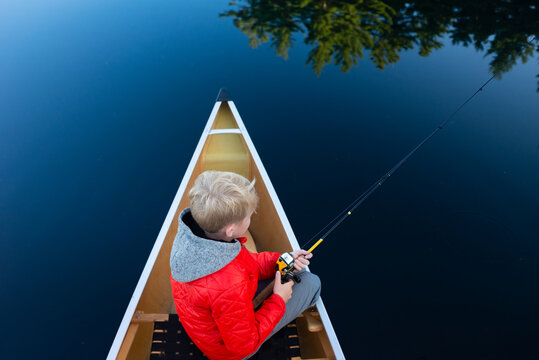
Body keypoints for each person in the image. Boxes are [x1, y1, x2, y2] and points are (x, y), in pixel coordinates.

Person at [170, 170, 321, 360]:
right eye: (249, 216)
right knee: (311, 283)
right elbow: (243, 346)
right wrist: (279, 300)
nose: (250, 218)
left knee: (283, 275)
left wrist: (281, 260)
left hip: (212, 321)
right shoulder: (230, 283)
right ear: (231, 229)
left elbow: (246, 264)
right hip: (230, 351)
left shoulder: (195, 240)